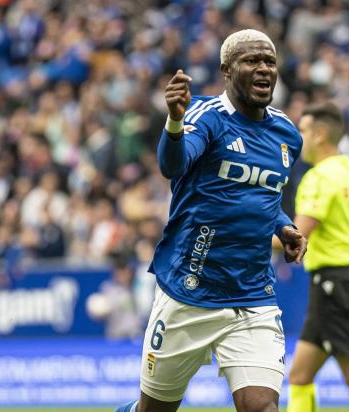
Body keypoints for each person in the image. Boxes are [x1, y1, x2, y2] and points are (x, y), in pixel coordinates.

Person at [115, 29, 307, 412]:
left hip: (252, 296)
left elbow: (264, 194)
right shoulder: (206, 118)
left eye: (269, 61)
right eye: (251, 61)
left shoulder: (287, 133)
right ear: (226, 69)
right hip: (189, 292)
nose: (263, 69)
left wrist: (283, 226)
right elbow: (173, 165)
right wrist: (173, 121)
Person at [286, 102, 349, 412]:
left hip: (331, 284)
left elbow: (297, 236)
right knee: (300, 375)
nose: (297, 138)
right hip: (348, 283)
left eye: (301, 130)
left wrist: (244, 236)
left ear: (319, 135)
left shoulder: (318, 179)